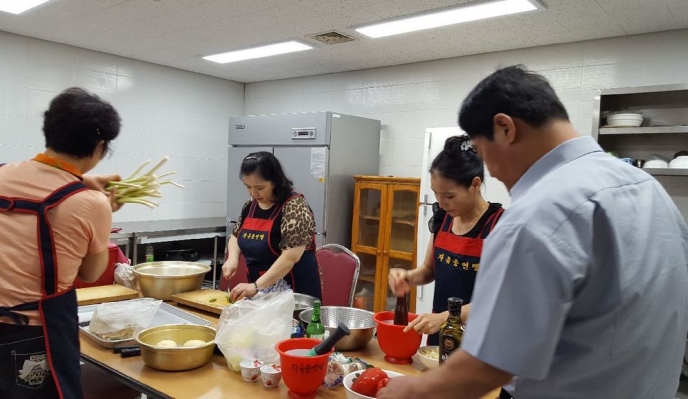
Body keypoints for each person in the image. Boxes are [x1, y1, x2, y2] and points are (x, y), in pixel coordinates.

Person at [378, 65, 688, 399]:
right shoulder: (649, 189)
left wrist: (411, 390)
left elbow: (490, 364)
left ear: (505, 128)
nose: (494, 172)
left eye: (485, 154)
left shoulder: (539, 214)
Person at [0, 87, 123, 399]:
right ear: (99, 146)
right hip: (34, 334)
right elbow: (90, 272)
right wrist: (102, 208)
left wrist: (81, 181)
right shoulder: (91, 203)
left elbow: (40, 185)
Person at [388, 135, 504, 345]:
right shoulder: (443, 218)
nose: (441, 204)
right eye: (436, 194)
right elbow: (429, 269)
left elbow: (500, 299)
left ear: (475, 184)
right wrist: (407, 278)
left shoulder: (499, 225)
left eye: (449, 196)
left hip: (479, 338)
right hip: (441, 332)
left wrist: (445, 317)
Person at [223, 151, 322, 301]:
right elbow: (236, 236)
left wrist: (255, 286)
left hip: (294, 297)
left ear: (275, 181)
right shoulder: (250, 205)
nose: (253, 193)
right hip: (260, 292)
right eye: (248, 187)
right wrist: (232, 258)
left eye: (260, 188)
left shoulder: (294, 206)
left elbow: (290, 258)